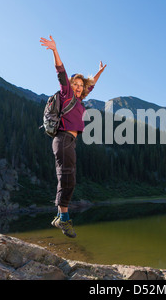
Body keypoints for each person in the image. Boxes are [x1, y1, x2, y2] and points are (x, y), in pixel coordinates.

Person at [40, 35, 106, 238]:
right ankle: (63, 218)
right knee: (66, 178)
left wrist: (99, 73)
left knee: (68, 178)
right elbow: (60, 71)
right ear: (70, 85)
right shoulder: (67, 94)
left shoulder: (79, 100)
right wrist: (54, 50)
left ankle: (61, 216)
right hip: (62, 139)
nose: (79, 87)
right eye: (75, 84)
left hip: (70, 141)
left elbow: (91, 85)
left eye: (80, 85)